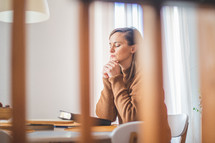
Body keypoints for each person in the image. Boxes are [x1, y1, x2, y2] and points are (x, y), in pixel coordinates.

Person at [96, 27, 171, 142]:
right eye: (109, 45)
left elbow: (131, 119)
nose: (111, 50)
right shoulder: (118, 76)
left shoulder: (147, 77)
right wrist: (108, 80)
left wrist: (115, 79)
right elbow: (105, 118)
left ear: (133, 48)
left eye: (117, 45)